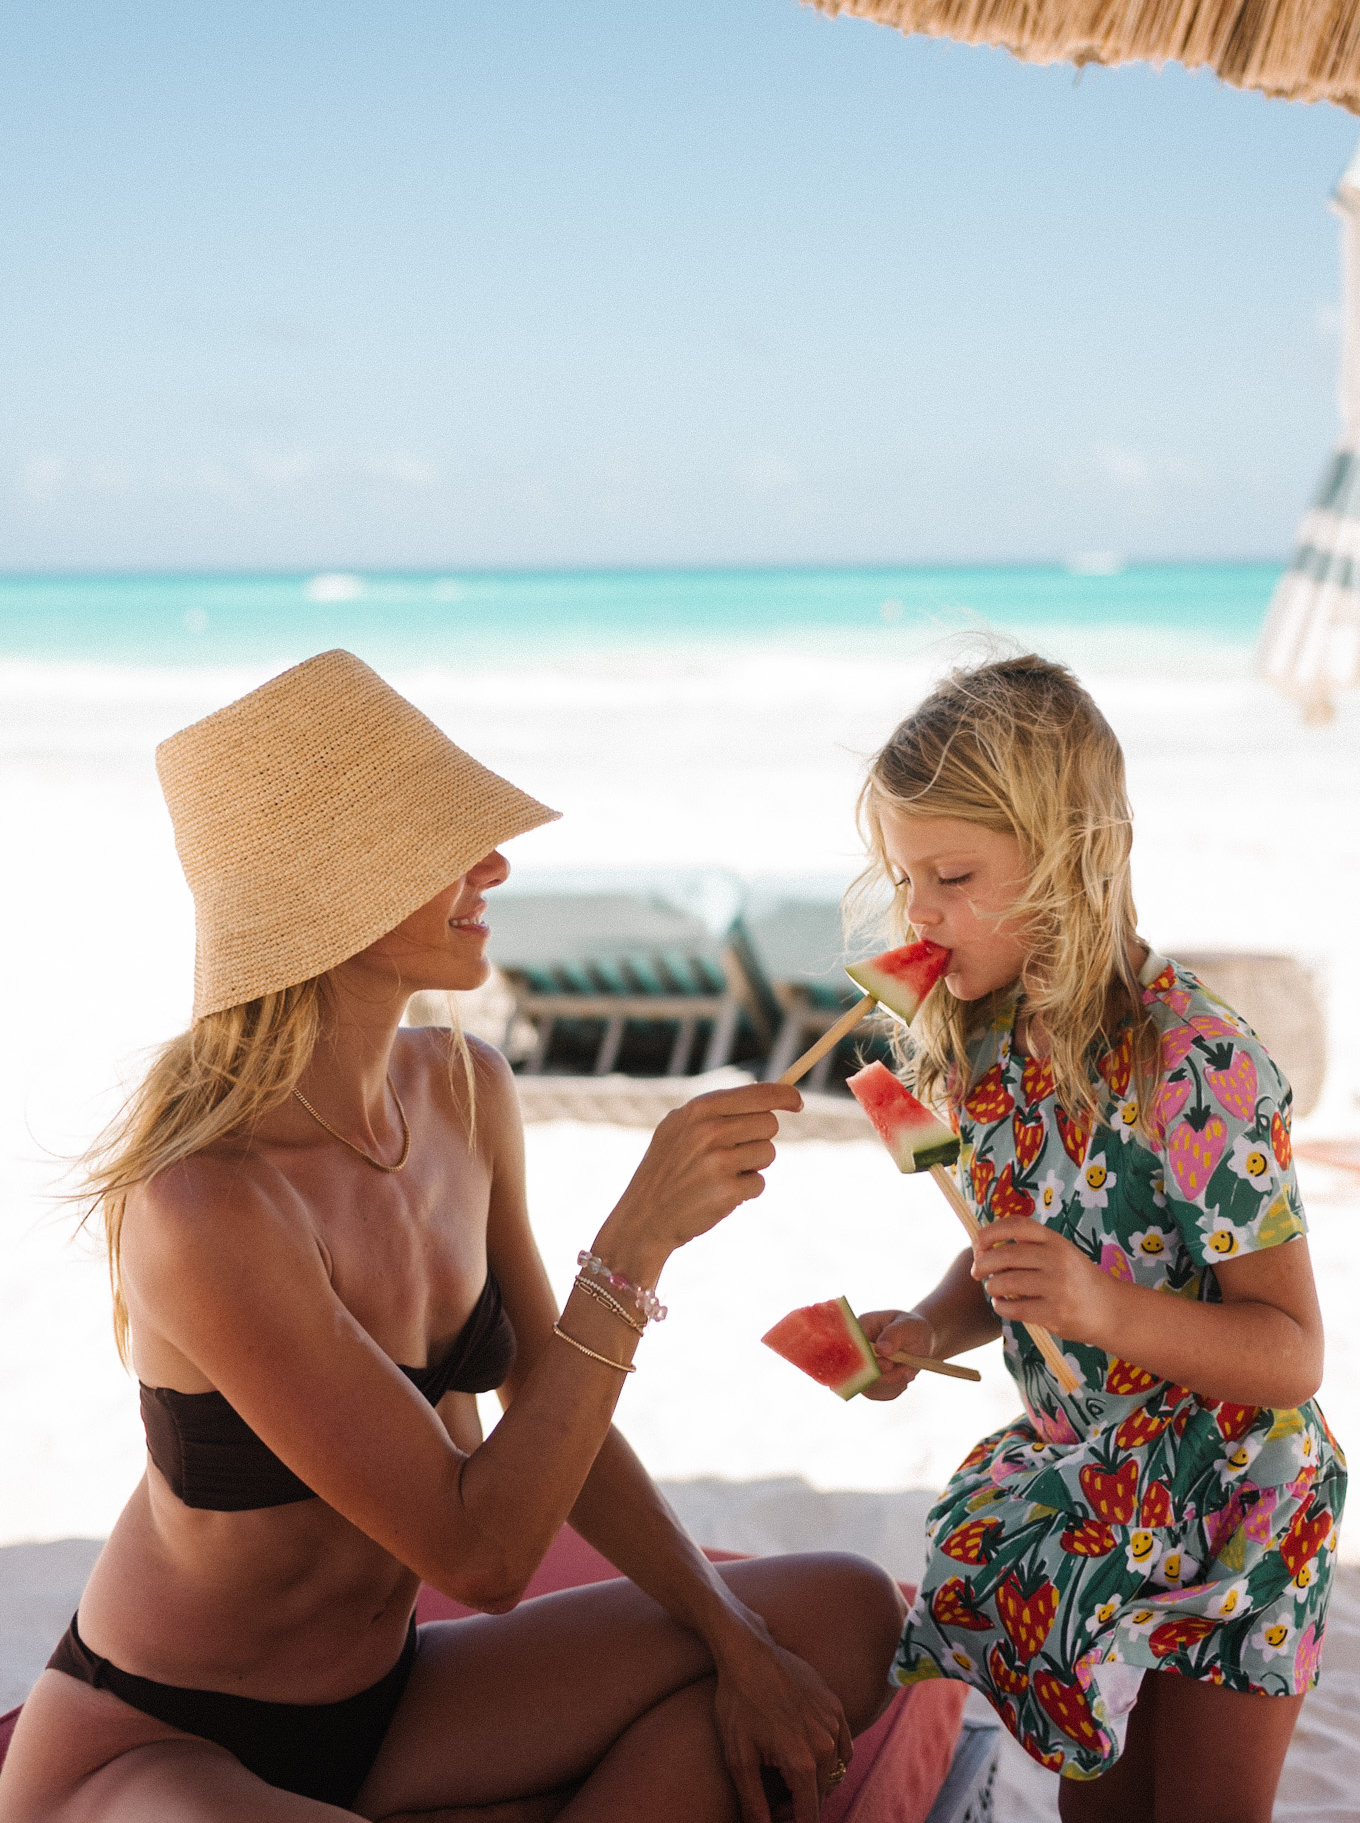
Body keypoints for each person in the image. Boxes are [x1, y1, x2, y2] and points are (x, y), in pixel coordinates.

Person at [0, 649, 904, 1823]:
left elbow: (545, 1407)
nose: (494, 864)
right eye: (440, 847)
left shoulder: (464, 1091)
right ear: (331, 894)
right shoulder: (206, 1206)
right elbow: (483, 1560)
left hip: (396, 1704)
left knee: (842, 1612)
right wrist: (633, 1244)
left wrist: (733, 1639)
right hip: (162, 1744)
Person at [850, 654, 1345, 1823]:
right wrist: (931, 1322)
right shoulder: (976, 1050)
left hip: (1240, 1502)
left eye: (952, 875)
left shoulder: (1194, 1064)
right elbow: (1013, 1263)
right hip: (1094, 1496)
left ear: (1070, 858)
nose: (916, 914)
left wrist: (1102, 1309)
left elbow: (1290, 1354)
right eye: (903, 876)